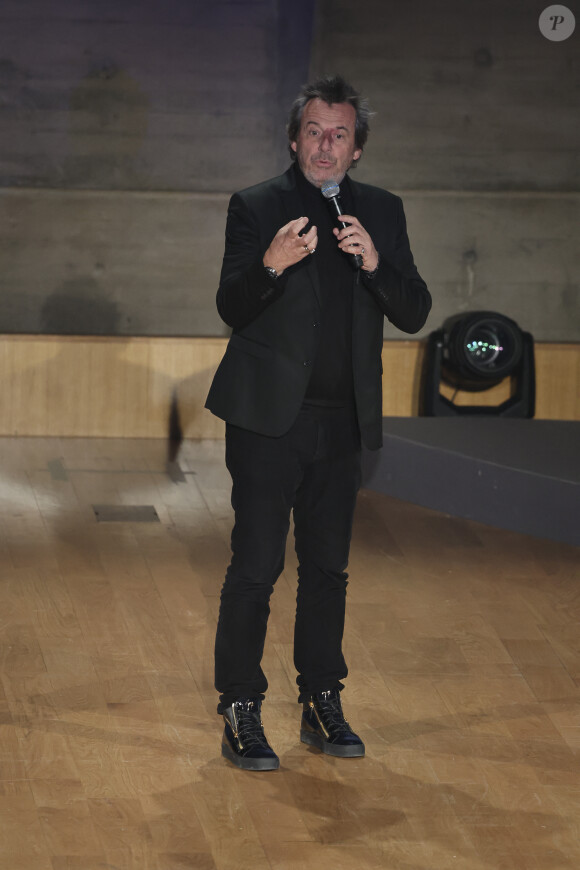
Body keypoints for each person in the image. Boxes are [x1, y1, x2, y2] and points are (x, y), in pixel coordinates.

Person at [205, 74, 431, 770]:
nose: (325, 145)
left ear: (357, 148)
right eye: (313, 131)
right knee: (257, 565)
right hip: (269, 422)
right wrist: (270, 265)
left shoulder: (384, 214)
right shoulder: (257, 207)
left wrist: (374, 263)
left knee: (328, 570)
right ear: (292, 137)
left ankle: (320, 698)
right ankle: (241, 705)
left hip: (343, 425)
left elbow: (415, 309)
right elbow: (233, 307)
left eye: (339, 134)